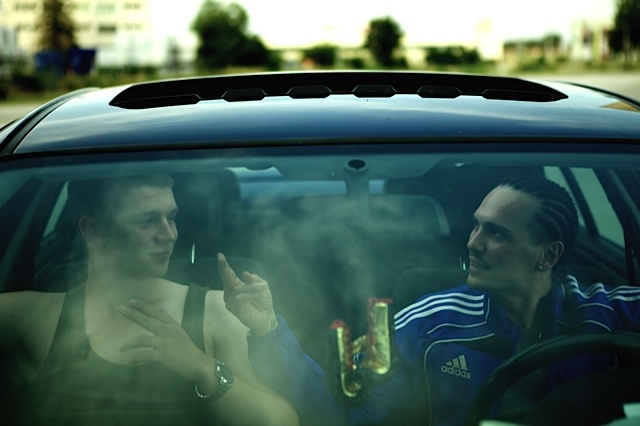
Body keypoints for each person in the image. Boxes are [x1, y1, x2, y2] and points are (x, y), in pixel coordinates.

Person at [219, 175, 640, 426]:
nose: (473, 243)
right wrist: (269, 330)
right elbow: (343, 411)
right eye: (476, 226)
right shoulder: (426, 322)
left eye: (496, 233)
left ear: (548, 255)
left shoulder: (614, 314)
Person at [0, 173, 298, 426]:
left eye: (171, 218)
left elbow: (283, 420)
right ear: (93, 230)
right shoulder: (35, 317)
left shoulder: (215, 310)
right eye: (147, 221)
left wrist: (202, 368)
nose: (169, 234)